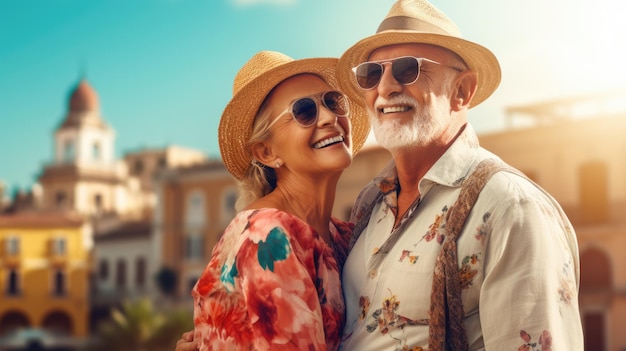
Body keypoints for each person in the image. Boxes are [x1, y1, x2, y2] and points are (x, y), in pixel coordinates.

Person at [335, 0, 584, 350]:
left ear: (462, 91)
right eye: (371, 74)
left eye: (409, 70)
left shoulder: (512, 207)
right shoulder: (369, 203)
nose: (385, 87)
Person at [176, 50, 369, 351]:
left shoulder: (342, 236)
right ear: (267, 153)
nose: (330, 117)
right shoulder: (267, 238)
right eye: (304, 111)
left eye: (332, 101)